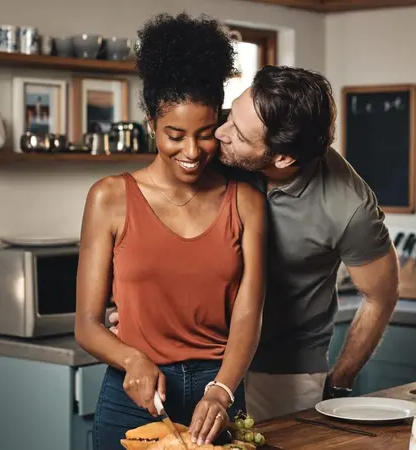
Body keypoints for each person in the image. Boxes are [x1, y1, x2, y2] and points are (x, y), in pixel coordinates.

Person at [111, 65, 400, 422]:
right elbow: (158, 223)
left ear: (281, 157)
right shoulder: (215, 141)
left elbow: (380, 295)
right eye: (231, 115)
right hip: (199, 359)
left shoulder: (349, 207)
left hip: (283, 370)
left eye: (239, 134)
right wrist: (131, 305)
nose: (219, 132)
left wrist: (339, 383)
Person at [75, 12, 266, 450]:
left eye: (204, 135)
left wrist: (222, 389)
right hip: (135, 395)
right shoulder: (109, 198)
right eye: (175, 135)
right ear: (151, 126)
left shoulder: (245, 201)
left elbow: (247, 316)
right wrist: (132, 359)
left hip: (218, 393)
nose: (192, 151)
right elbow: (86, 324)